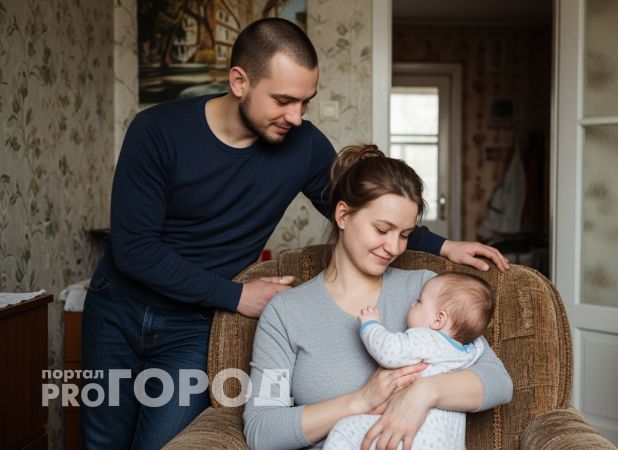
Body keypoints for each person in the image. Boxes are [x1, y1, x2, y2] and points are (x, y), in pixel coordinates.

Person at [81, 18, 508, 450]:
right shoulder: (156, 131)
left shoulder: (302, 145)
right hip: (119, 307)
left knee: (161, 445)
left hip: (192, 324)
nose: (296, 117)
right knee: (102, 442)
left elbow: (367, 207)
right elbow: (134, 250)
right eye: (284, 100)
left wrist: (443, 245)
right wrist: (237, 296)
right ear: (239, 81)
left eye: (306, 102)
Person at [244, 145, 513, 450]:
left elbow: (498, 381)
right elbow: (262, 430)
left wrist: (424, 393)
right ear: (343, 215)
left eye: (404, 234)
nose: (395, 248)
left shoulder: (426, 291)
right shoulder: (286, 313)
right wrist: (361, 400)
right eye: (382, 229)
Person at [323, 272, 495, 450]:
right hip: (449, 441)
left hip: (414, 437)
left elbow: (389, 351)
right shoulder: (471, 351)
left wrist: (371, 324)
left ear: (438, 319)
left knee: (344, 431)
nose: (412, 304)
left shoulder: (425, 338)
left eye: (419, 301)